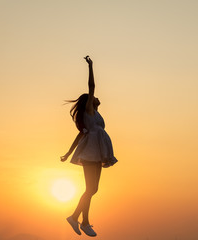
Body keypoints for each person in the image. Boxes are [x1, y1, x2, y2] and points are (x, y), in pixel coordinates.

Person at [60, 56, 118, 237]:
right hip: (90, 152)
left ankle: (79, 219)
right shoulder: (89, 111)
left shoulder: (93, 116)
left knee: (93, 189)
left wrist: (68, 153)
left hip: (97, 152)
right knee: (90, 188)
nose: (97, 97)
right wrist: (91, 66)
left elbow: (79, 135)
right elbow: (92, 87)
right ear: (90, 101)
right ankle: (79, 219)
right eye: (94, 97)